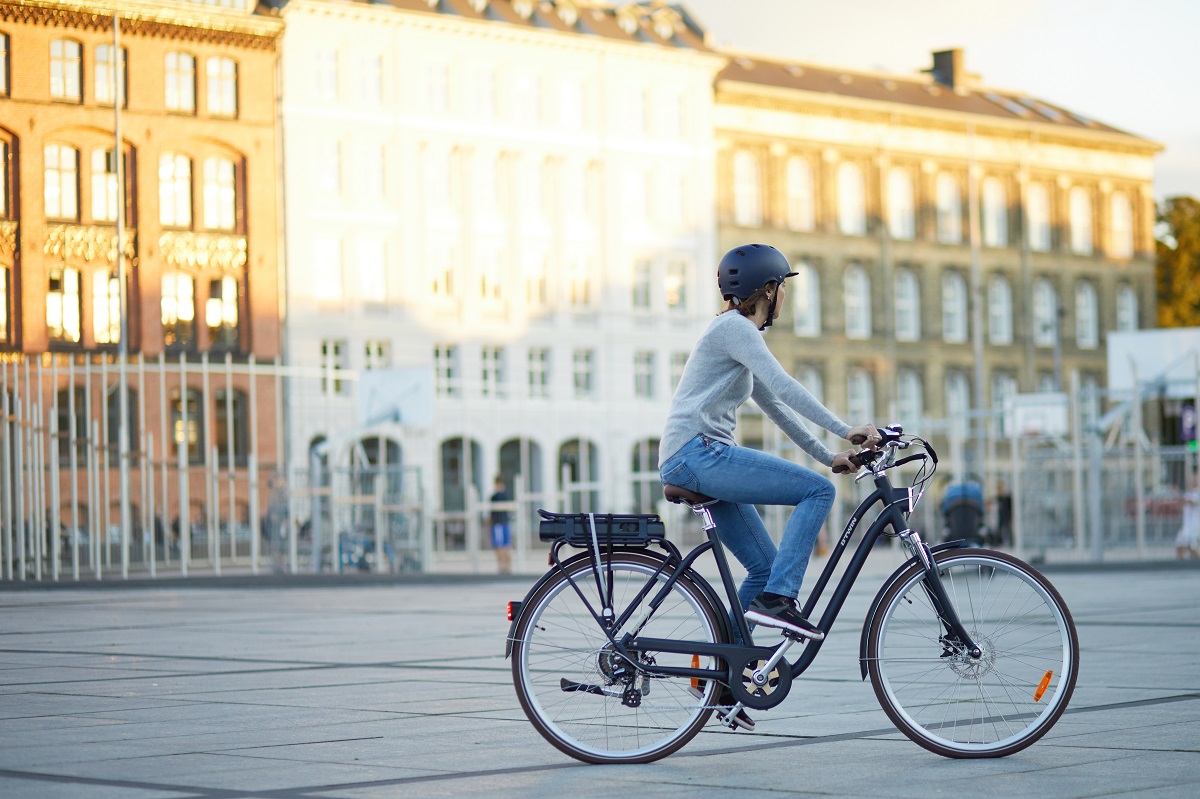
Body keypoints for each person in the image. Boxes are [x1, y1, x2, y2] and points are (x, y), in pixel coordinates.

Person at [659, 244, 880, 643]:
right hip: (698, 453)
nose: (786, 297)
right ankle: (779, 600)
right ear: (768, 290)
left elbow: (776, 406)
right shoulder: (734, 329)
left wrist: (829, 455)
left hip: (695, 457)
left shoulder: (735, 334)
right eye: (783, 287)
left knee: (763, 569)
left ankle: (714, 676)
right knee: (817, 491)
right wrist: (847, 429)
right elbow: (784, 385)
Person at [490, 475, 513, 574]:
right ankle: (506, 567)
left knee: (501, 546)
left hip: (499, 524)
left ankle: (503, 567)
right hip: (503, 522)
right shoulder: (506, 495)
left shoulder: (495, 496)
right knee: (504, 546)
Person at [1175, 473, 1199, 560]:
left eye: (1195, 479)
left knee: (1191, 547)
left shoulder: (1197, 492)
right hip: (1187, 525)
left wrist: (1182, 498)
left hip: (1193, 526)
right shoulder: (1189, 492)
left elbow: (1192, 502)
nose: (1193, 481)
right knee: (1180, 546)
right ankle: (1179, 566)